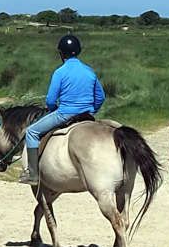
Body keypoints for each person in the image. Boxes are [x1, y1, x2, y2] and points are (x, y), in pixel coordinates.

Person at [20, 34, 106, 185]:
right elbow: (100, 97)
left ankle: (33, 174)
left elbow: (51, 100)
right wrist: (92, 110)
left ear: (61, 53)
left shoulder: (60, 72)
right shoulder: (89, 71)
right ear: (78, 51)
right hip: (86, 114)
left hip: (65, 114)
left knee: (31, 132)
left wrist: (53, 109)